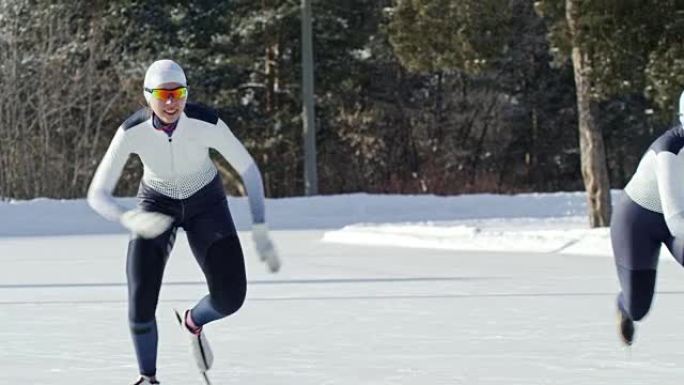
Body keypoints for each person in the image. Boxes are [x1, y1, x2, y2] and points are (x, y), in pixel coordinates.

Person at [87, 59, 280, 385]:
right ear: (148, 95)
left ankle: (194, 321)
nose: (172, 102)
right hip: (155, 203)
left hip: (206, 203)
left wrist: (259, 226)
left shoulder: (206, 122)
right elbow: (97, 193)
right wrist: (129, 217)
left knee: (231, 298)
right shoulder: (131, 132)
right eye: (163, 94)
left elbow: (248, 170)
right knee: (140, 301)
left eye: (179, 93)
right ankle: (148, 378)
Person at [611, 90, 684, 346]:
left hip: (678, 220)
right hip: (638, 222)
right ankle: (625, 305)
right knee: (638, 306)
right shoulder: (670, 151)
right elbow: (675, 219)